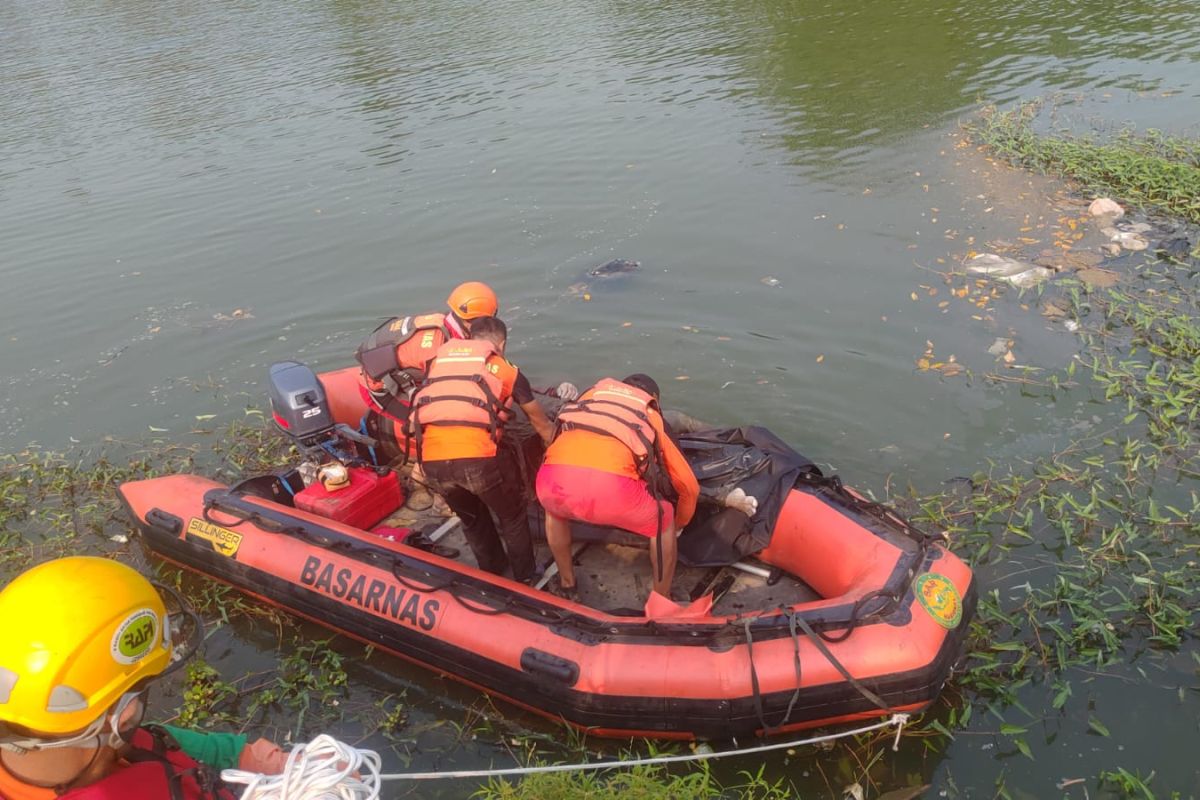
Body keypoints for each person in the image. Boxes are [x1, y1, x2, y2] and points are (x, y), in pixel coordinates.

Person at [0, 557, 287, 800]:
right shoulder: (109, 742)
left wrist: (273, 762)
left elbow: (168, 743)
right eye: (141, 690)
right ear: (124, 714)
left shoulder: (105, 743)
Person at [408, 316, 555, 583]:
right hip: (478, 459)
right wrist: (554, 452)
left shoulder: (437, 364)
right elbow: (540, 422)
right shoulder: (505, 368)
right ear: (502, 343)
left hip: (432, 461)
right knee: (512, 515)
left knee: (472, 519)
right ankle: (526, 578)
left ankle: (493, 569)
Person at [536, 374, 700, 600]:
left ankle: (567, 584)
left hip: (552, 483)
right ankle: (662, 598)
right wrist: (680, 523)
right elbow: (688, 486)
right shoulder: (650, 413)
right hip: (611, 492)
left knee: (553, 510)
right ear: (653, 398)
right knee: (666, 519)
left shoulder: (588, 398)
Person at [354, 281, 499, 463]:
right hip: (379, 390)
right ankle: (428, 469)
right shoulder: (438, 348)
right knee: (435, 424)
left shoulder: (441, 321)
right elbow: (442, 393)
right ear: (476, 321)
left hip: (389, 371)